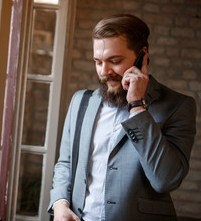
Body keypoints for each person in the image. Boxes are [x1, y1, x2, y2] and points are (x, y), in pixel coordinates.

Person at [48, 14, 196, 221]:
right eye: (98, 62)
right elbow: (65, 163)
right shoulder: (81, 101)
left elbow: (165, 180)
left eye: (114, 61)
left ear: (142, 56)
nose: (104, 71)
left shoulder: (178, 106)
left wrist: (137, 106)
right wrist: (60, 204)